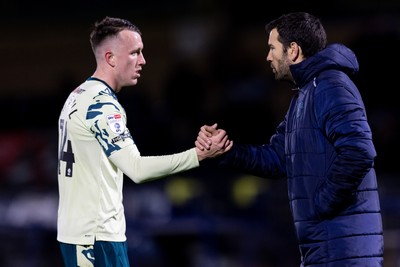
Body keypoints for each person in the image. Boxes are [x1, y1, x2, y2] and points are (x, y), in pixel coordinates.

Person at [196, 12, 384, 267]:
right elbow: (277, 158)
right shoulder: (306, 94)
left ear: (293, 51)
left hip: (343, 250)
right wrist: (226, 151)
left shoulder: (330, 86)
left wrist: (322, 204)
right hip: (325, 248)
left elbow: (359, 151)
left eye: (272, 48)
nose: (268, 56)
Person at [56, 16, 231, 267]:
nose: (143, 61)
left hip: (80, 234)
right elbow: (136, 169)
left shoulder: (77, 95)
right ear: (110, 58)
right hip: (96, 238)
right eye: (135, 53)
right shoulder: (102, 105)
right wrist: (198, 155)